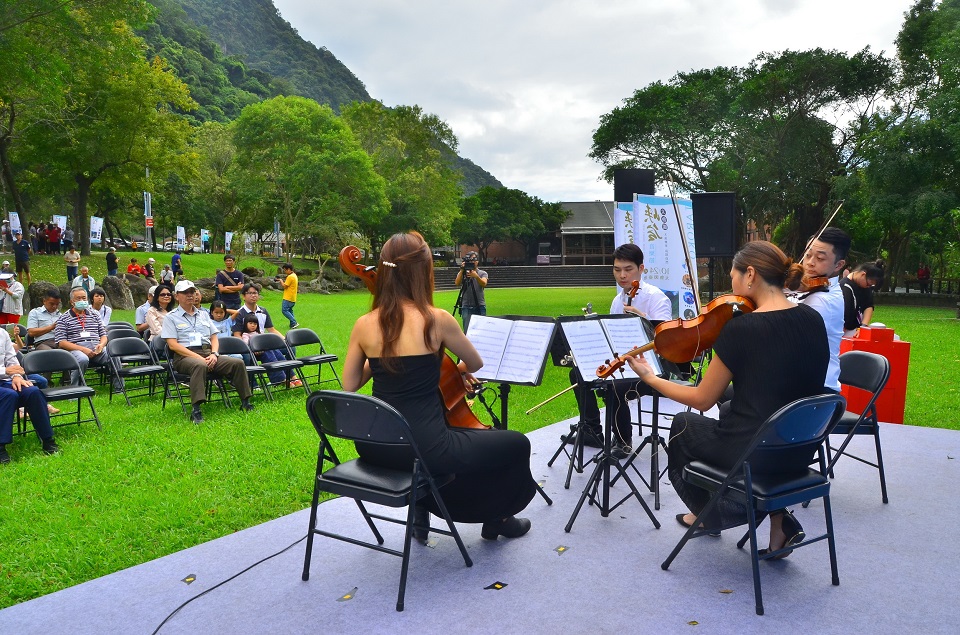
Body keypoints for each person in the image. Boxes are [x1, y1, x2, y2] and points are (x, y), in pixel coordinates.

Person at [626, 240, 830, 555]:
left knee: (683, 424)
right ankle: (779, 521)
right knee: (731, 403)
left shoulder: (743, 329)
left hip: (755, 456)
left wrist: (651, 378)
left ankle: (710, 516)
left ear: (750, 275)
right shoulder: (812, 318)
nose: (729, 286)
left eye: (732, 276)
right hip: (800, 449)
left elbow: (701, 399)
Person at [343, 231, 535, 541]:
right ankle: (497, 518)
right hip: (427, 448)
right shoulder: (437, 319)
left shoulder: (365, 324)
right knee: (514, 443)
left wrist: (378, 354)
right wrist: (456, 369)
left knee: (469, 438)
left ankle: (422, 506)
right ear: (423, 272)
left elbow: (350, 383)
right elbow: (474, 364)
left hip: (375, 446)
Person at [566, 243, 673, 457]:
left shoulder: (657, 298)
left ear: (641, 269)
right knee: (577, 373)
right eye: (617, 269)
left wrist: (641, 318)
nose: (622, 275)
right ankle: (593, 430)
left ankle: (623, 440)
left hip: (651, 368)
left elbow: (667, 342)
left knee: (614, 385)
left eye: (628, 269)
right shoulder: (618, 301)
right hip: (623, 363)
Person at [161, 280, 254, 424]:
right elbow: (173, 345)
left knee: (237, 362)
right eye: (185, 292)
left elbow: (214, 337)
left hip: (208, 353)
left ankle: (246, 402)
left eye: (192, 292)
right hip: (184, 356)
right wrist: (198, 357)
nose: (190, 295)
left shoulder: (203, 314)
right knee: (199, 365)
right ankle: (196, 410)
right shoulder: (171, 317)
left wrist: (214, 354)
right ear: (176, 296)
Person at [791, 227, 849, 392]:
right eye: (808, 255)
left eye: (820, 258)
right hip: (797, 380)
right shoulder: (803, 287)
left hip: (815, 389)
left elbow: (786, 337)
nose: (810, 263)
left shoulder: (823, 300)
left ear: (838, 265)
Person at [0, 326, 60, 465]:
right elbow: (7, 368)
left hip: (5, 380)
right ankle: (1, 447)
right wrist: (6, 371)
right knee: (9, 395)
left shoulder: (2, 333)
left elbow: (12, 360)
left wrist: (16, 376)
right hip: (4, 379)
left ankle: (48, 440)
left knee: (32, 391)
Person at [54, 287, 116, 389]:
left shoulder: (95, 314)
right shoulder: (63, 318)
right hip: (76, 349)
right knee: (82, 359)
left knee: (113, 355)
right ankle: (76, 390)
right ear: (71, 302)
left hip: (97, 348)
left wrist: (101, 345)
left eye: (84, 298)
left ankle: (119, 388)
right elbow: (61, 342)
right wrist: (83, 349)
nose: (82, 301)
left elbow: (103, 335)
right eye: (78, 299)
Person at [239, 312, 300, 386]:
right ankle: (281, 379)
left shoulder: (259, 333)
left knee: (276, 352)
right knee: (269, 355)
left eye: (255, 324)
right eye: (250, 323)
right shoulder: (246, 335)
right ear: (245, 324)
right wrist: (255, 349)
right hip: (255, 353)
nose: (253, 325)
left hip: (264, 350)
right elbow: (246, 344)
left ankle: (292, 376)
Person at [840, 260, 884, 336]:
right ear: (863, 274)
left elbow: (868, 305)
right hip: (844, 331)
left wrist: (863, 327)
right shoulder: (844, 287)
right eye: (868, 284)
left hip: (857, 329)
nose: (869, 287)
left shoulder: (865, 287)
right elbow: (845, 316)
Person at [453, 251, 488, 332]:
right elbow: (457, 283)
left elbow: (484, 283)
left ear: (477, 261)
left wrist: (476, 276)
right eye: (470, 261)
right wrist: (462, 270)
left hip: (480, 305)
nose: (472, 262)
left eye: (474, 260)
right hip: (466, 306)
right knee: (467, 332)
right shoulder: (463, 273)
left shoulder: (482, 273)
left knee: (481, 331)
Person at [145, 284, 174, 350]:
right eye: (163, 294)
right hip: (158, 344)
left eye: (168, 294)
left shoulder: (174, 311)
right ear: (157, 297)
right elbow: (157, 330)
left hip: (175, 341)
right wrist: (172, 338)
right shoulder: (151, 311)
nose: (166, 296)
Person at [279, 262, 299, 329]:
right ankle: (292, 324)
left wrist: (281, 281)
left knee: (284, 310)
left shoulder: (290, 277)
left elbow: (285, 286)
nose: (285, 271)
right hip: (293, 297)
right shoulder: (294, 275)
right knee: (290, 310)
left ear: (289, 269)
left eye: (285, 270)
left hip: (288, 297)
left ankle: (294, 322)